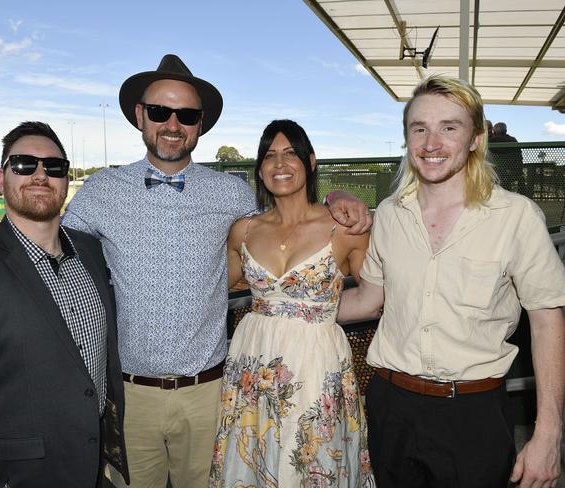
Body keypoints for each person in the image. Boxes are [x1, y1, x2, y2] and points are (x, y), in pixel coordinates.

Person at [0, 55, 372, 488]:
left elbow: (288, 220)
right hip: (131, 397)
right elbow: (41, 238)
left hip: (211, 394)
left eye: (185, 114)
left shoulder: (232, 195)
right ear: (139, 116)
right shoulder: (100, 191)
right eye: (159, 111)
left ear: (200, 124)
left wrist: (340, 196)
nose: (172, 124)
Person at [337, 75, 565, 488]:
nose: (431, 143)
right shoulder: (389, 214)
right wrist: (289, 307)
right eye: (419, 128)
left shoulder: (516, 217)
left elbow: (549, 320)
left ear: (476, 138)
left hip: (473, 415)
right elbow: (369, 299)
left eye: (449, 127)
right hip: (391, 404)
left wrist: (548, 434)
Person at [0, 122, 128, 487]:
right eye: (24, 165)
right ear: (2, 179)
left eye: (54, 167)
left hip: (93, 468)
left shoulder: (91, 250)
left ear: (66, 179)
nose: (41, 175)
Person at [210, 120, 374, 487]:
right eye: (269, 156)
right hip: (254, 364)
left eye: (290, 154)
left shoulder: (345, 227)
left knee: (313, 461)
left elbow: (379, 295)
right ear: (260, 169)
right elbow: (213, 289)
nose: (279, 163)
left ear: (311, 162)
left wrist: (341, 194)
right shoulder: (244, 230)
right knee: (253, 460)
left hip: (317, 365)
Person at [489, 121, 525, 195]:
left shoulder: (491, 142)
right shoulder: (513, 140)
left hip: (498, 173)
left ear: (494, 131)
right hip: (516, 171)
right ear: (506, 130)